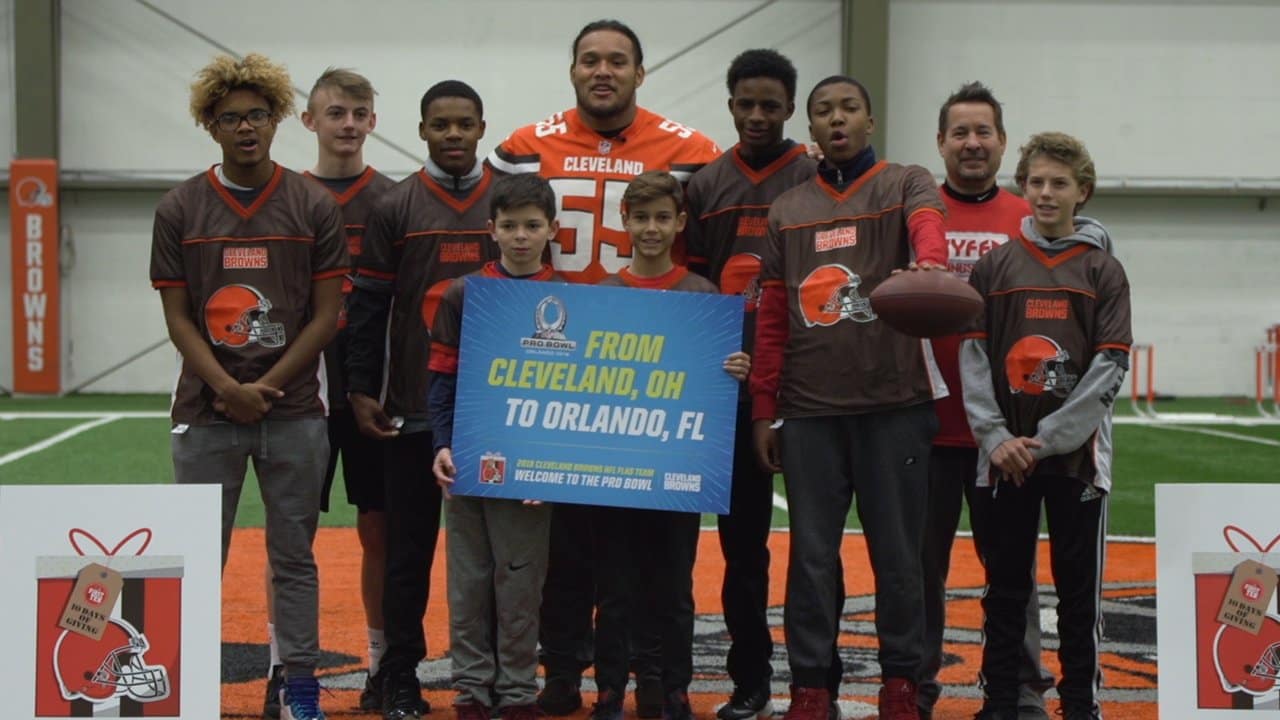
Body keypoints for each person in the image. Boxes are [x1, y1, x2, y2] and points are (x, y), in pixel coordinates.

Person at [486, 19, 720, 718]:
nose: (603, 71)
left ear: (640, 73)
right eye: (590, 59)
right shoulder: (525, 148)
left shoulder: (688, 151)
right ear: (572, 69)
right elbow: (506, 254)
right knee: (566, 552)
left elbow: (698, 264)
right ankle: (564, 675)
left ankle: (655, 680)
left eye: (618, 60)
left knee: (650, 555)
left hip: (648, 374)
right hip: (556, 367)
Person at [150, 53, 346, 720]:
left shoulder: (312, 204)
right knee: (199, 559)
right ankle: (181, 686)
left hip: (292, 411)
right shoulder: (180, 207)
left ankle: (297, 686)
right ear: (210, 125)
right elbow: (177, 318)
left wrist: (263, 386)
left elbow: (325, 317)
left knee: (294, 558)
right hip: (206, 415)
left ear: (277, 119)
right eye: (230, 117)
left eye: (257, 115)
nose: (245, 128)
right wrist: (225, 388)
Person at [749, 76, 947, 720]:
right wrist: (763, 408)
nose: (837, 119)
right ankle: (811, 683)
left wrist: (930, 263)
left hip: (894, 402)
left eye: (849, 108)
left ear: (869, 119)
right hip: (808, 409)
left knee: (898, 555)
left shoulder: (904, 181)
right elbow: (773, 315)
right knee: (810, 557)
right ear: (812, 128)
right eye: (824, 111)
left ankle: (901, 681)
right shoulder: (788, 209)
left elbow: (927, 224)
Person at [344, 79, 499, 720]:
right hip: (413, 408)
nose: (454, 134)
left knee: (495, 557)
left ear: (482, 127)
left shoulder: (508, 200)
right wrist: (359, 387)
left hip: (494, 411)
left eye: (465, 123)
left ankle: (492, 677)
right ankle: (400, 674)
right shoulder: (394, 205)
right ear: (422, 130)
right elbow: (369, 306)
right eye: (442, 125)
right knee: (409, 554)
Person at [962, 132, 1129, 720]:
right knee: (1005, 588)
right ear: (1022, 186)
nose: (1047, 192)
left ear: (1083, 191)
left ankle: (1080, 703)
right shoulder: (994, 267)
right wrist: (996, 438)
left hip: (1075, 459)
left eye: (1060, 182)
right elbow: (974, 358)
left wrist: (1052, 437)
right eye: (1036, 181)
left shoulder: (1104, 271)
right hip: (1005, 457)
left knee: (1077, 591)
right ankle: (1002, 700)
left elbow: (1112, 364)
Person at [683, 48, 816, 720]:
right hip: (715, 395)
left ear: (790, 107)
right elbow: (688, 291)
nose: (757, 115)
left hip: (800, 392)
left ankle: (799, 677)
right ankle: (728, 676)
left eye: (770, 104)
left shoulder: (814, 179)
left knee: (787, 546)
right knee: (712, 548)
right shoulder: (705, 185)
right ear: (730, 104)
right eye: (746, 103)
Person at [594, 171, 752, 720]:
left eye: (663, 217)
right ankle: (611, 689)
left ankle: (669, 687)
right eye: (641, 218)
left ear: (681, 222)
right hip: (614, 470)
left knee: (673, 586)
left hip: (677, 468)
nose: (652, 228)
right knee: (613, 588)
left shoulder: (703, 296)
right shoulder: (604, 295)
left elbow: (715, 390)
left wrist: (736, 371)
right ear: (624, 222)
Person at [917, 82, 1052, 720]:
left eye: (984, 132)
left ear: (1002, 141)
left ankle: (1018, 687)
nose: (972, 143)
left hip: (1005, 435)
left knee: (1013, 574)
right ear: (940, 142)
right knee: (916, 573)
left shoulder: (1030, 218)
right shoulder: (914, 215)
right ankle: (913, 685)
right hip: (924, 427)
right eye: (960, 133)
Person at [427, 173, 564, 720]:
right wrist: (441, 443)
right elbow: (441, 379)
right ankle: (470, 689)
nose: (521, 237)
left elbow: (574, 393)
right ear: (491, 230)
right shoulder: (463, 294)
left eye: (533, 226)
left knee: (521, 582)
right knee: (469, 580)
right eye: (510, 226)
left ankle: (516, 690)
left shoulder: (571, 299)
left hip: (530, 467)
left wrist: (549, 467)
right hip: (467, 457)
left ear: (553, 229)